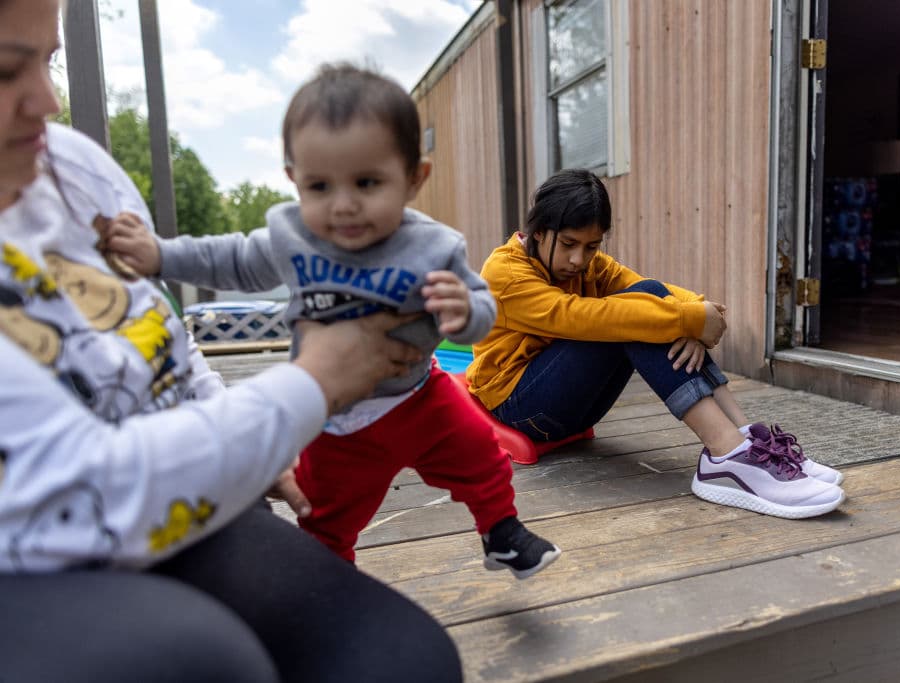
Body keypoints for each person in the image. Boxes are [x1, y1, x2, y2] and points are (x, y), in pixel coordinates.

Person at [0, 1, 463, 680]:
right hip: (41, 537)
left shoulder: (69, 164)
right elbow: (80, 489)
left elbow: (154, 333)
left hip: (172, 495)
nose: (49, 99)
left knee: (403, 658)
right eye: (11, 69)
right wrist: (313, 384)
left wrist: (246, 443)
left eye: (50, 60)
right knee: (206, 662)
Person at [106, 63, 560, 579]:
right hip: (335, 417)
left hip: (418, 396)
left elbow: (482, 312)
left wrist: (464, 313)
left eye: (367, 183)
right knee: (323, 513)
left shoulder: (432, 246)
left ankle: (501, 532)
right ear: (294, 181)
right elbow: (227, 258)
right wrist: (160, 255)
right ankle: (331, 580)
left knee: (482, 454)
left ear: (415, 178)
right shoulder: (292, 235)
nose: (344, 206)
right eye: (320, 186)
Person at [467, 168, 846, 519]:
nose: (578, 259)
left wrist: (696, 311)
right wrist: (689, 319)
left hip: (571, 409)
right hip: (519, 408)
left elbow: (652, 289)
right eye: (568, 244)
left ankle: (749, 440)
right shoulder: (506, 274)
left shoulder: (589, 265)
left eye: (591, 246)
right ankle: (725, 454)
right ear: (538, 231)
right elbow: (576, 317)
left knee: (645, 300)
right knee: (631, 316)